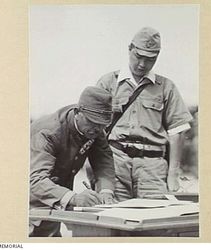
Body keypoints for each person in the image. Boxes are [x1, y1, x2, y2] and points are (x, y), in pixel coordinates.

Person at [96, 27, 193, 201]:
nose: (142, 64)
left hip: (153, 168)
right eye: (138, 57)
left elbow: (178, 131)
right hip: (115, 163)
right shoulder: (108, 83)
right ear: (129, 49)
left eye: (150, 59)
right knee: (113, 219)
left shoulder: (166, 87)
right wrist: (98, 171)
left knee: (155, 220)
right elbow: (94, 128)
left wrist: (173, 174)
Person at [29, 86, 116, 237]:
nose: (98, 129)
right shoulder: (49, 132)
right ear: (78, 113)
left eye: (103, 125)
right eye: (93, 122)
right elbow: (36, 180)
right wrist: (74, 198)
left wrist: (106, 191)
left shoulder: (94, 129)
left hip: (55, 197)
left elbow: (103, 160)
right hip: (29, 197)